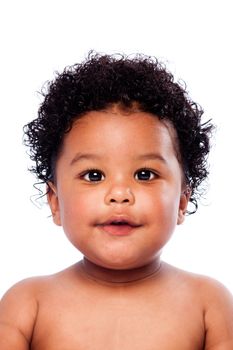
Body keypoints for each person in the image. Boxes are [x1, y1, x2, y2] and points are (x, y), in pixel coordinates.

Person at [0, 52, 232, 350]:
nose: (120, 194)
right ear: (55, 201)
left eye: (145, 174)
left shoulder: (209, 305)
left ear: (182, 202)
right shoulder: (27, 305)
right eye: (94, 175)